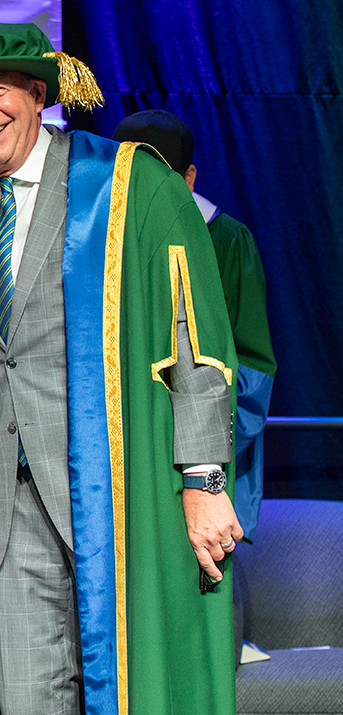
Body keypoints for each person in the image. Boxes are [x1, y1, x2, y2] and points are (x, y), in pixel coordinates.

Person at [0, 22, 241, 715]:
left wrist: (204, 476)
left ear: (40, 96)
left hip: (122, 497)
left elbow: (191, 336)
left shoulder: (127, 184)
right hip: (6, 510)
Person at [114, 109, 277, 540]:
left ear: (189, 178)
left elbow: (254, 369)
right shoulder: (102, 243)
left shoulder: (225, 240)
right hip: (119, 461)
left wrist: (194, 459)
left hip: (201, 458)